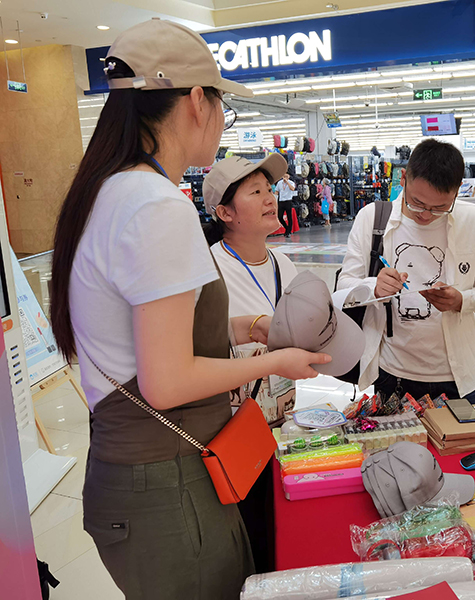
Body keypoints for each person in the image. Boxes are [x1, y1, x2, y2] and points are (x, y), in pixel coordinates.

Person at [49, 20, 329, 599]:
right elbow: (167, 381)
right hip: (166, 481)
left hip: (140, 473)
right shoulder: (156, 204)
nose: (223, 120)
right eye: (224, 105)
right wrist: (275, 362)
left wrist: (243, 328)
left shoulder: (108, 189)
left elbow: (147, 336)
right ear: (198, 101)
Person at [338, 138, 475, 404]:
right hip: (393, 372)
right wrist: (373, 287)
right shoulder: (372, 218)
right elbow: (344, 285)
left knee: (472, 433)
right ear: (403, 178)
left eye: (440, 208)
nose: (426, 215)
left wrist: (461, 300)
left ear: (458, 189)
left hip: (459, 375)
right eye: (417, 202)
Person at [202, 153, 300, 573]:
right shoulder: (208, 270)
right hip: (233, 431)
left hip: (283, 425)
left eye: (270, 189)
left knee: (281, 531)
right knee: (248, 537)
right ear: (225, 213)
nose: (270, 198)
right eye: (255, 191)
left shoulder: (283, 264)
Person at [275, 172, 296, 237]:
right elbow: (277, 191)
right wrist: (275, 199)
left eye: (286, 176)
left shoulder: (291, 182)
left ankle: (288, 232)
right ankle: (286, 228)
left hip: (288, 201)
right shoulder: (279, 183)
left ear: (289, 176)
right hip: (281, 201)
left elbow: (292, 189)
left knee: (289, 217)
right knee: (280, 216)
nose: (285, 177)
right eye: (284, 176)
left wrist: (287, 182)